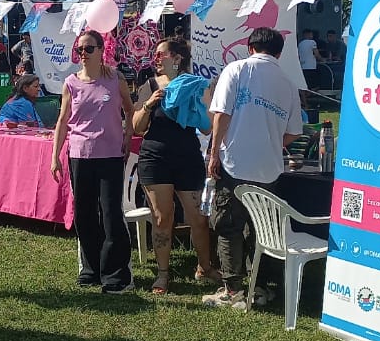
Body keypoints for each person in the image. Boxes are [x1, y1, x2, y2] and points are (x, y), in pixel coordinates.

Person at [203, 27, 304, 309]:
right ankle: (259, 287)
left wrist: (213, 154)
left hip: (235, 164)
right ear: (279, 52)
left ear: (250, 48)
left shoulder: (235, 70)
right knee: (261, 229)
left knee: (228, 226)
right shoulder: (287, 82)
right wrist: (271, 141)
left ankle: (232, 289)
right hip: (269, 169)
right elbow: (295, 131)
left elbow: (221, 115)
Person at [51, 29, 136, 293]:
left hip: (110, 155)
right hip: (79, 154)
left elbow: (130, 110)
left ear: (101, 51)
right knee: (84, 215)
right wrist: (55, 157)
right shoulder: (71, 83)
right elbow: (63, 121)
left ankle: (116, 274)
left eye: (89, 49)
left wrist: (127, 136)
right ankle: (91, 269)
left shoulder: (114, 78)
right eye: (80, 50)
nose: (83, 54)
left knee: (111, 214)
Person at [130, 38, 214, 294]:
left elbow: (207, 126)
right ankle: (163, 274)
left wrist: (196, 104)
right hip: (155, 158)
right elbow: (137, 127)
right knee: (162, 217)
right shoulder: (149, 86)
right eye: (155, 54)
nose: (156, 58)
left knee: (198, 218)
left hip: (188, 158)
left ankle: (205, 267)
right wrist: (149, 103)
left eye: (161, 54)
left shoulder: (197, 86)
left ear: (177, 58)